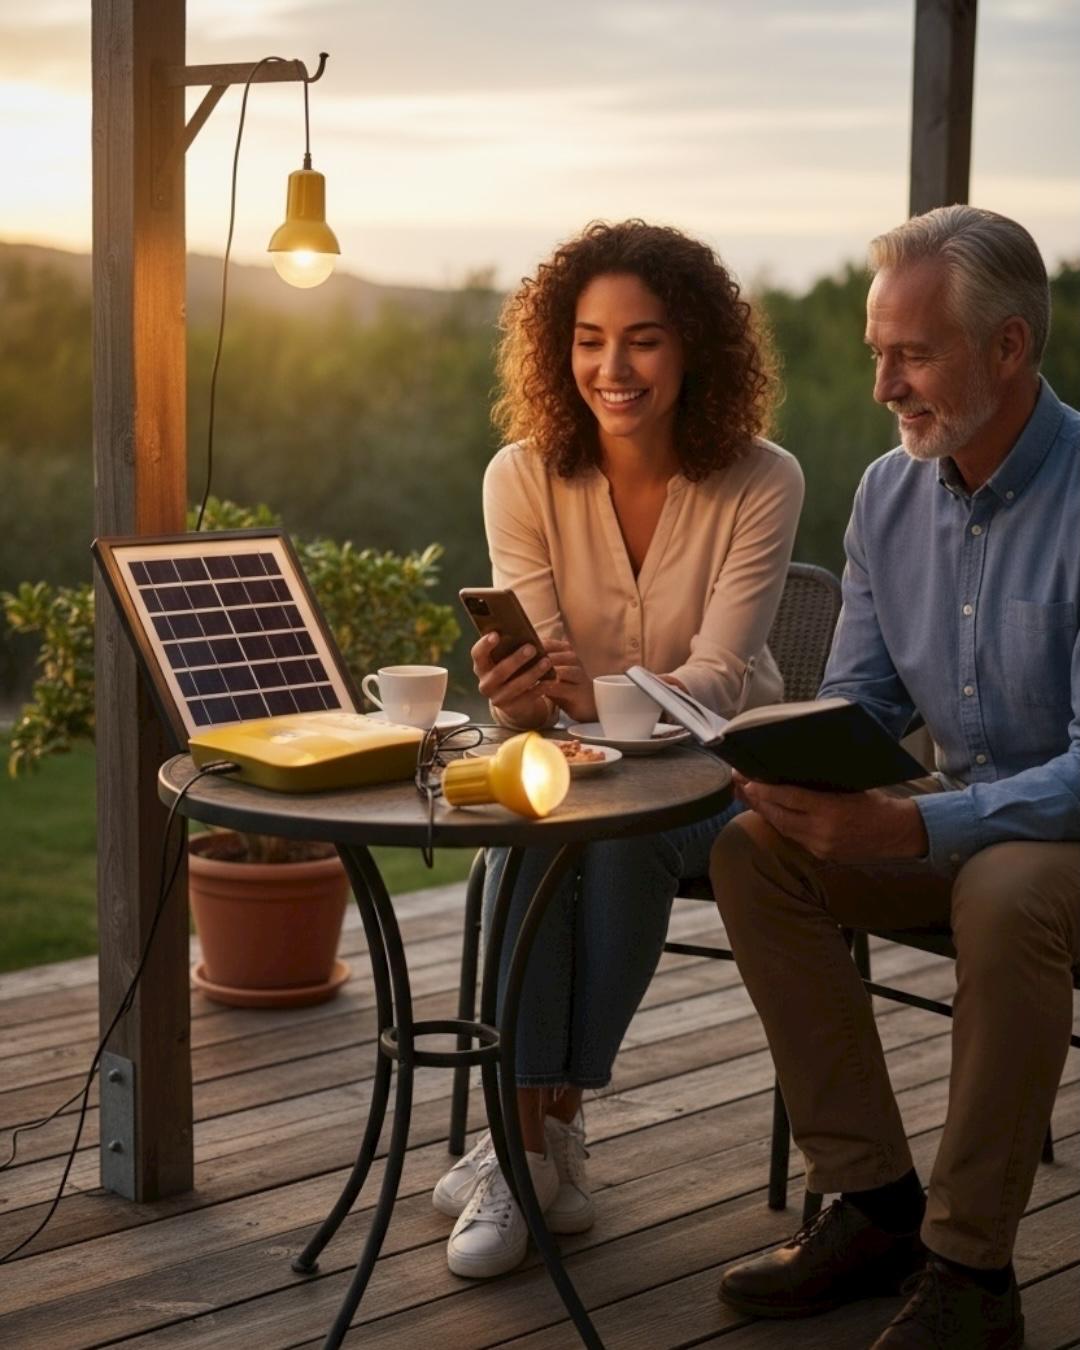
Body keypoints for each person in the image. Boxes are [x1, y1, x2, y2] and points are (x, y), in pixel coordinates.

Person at [711, 204, 1080, 1349]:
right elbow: (866, 702)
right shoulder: (889, 492)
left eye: (911, 354)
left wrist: (914, 829)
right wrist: (787, 763)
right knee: (755, 854)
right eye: (879, 353)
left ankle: (971, 1273)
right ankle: (873, 1204)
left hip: (1054, 841)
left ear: (1008, 347)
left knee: (1006, 890)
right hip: (969, 816)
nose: (884, 386)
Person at [434, 219, 804, 1279]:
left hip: (722, 778)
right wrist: (518, 694)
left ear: (694, 347)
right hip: (578, 773)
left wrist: (574, 695)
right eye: (590, 340)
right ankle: (532, 1148)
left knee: (618, 837)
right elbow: (542, 683)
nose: (614, 367)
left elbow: (719, 679)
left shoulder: (764, 479)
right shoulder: (520, 476)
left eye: (643, 339)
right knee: (537, 827)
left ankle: (544, 1125)